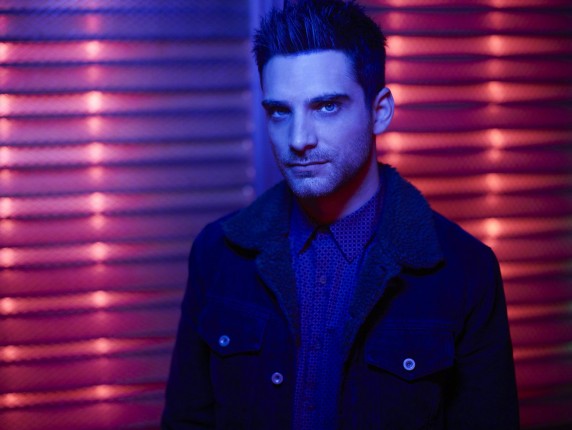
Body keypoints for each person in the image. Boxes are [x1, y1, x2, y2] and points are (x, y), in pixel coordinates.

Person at [161, 0, 519, 428]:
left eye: (326, 107)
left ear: (379, 112)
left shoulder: (465, 271)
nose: (298, 139)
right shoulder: (217, 253)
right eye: (280, 111)